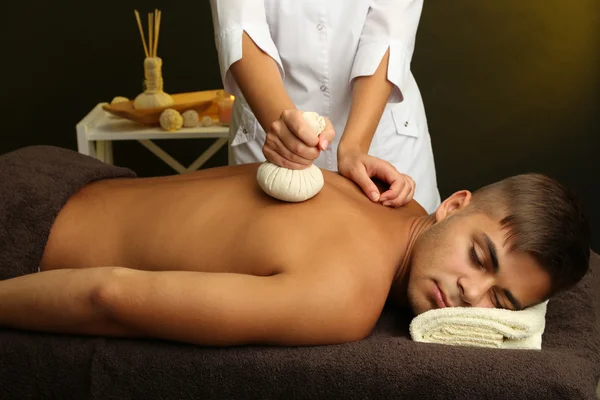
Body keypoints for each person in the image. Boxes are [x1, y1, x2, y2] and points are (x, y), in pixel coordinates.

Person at [0, 146, 590, 347]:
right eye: (480, 257)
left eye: (503, 303)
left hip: (57, 174)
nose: (469, 294)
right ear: (455, 205)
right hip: (25, 231)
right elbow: (110, 295)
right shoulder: (345, 299)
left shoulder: (392, 197)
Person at [209, 0, 441, 212]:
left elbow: (388, 33)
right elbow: (240, 25)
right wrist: (283, 125)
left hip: (381, 132)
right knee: (273, 250)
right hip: (266, 126)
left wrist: (355, 147)